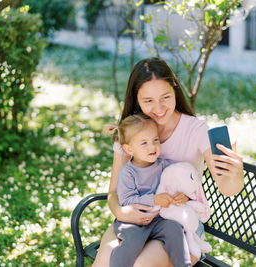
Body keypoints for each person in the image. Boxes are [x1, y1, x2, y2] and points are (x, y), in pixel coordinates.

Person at [93, 57, 244, 267]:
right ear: (136, 100)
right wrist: (121, 211)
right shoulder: (131, 131)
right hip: (136, 222)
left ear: (175, 90)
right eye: (148, 101)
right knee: (103, 263)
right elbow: (114, 192)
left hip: (180, 226)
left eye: (165, 97)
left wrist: (235, 173)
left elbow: (227, 188)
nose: (159, 108)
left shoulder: (196, 130)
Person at [110, 113, 191, 267]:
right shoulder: (128, 173)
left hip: (159, 220)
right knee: (133, 242)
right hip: (133, 221)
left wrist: (183, 196)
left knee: (174, 229)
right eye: (144, 143)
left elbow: (178, 185)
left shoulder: (165, 165)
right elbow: (126, 200)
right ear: (129, 149)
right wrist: (153, 199)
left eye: (155, 140)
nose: (152, 146)